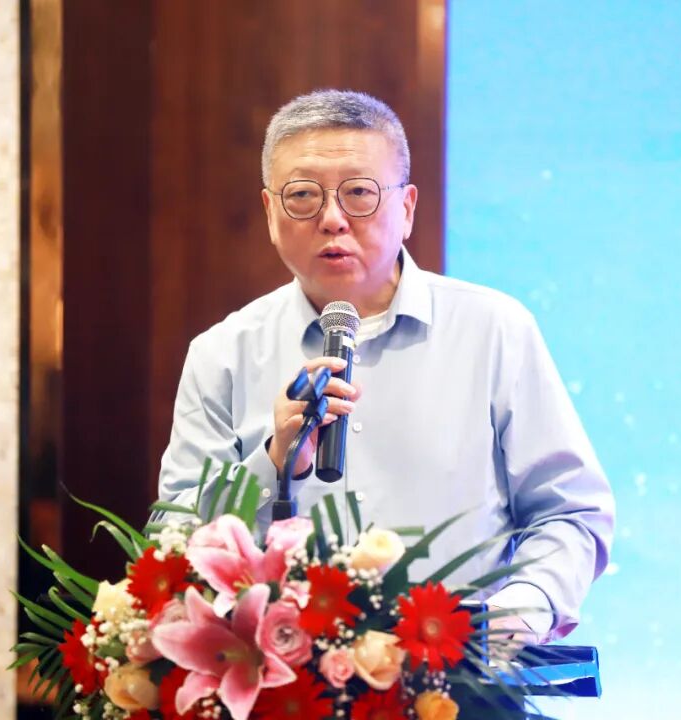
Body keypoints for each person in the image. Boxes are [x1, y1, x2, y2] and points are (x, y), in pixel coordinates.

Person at [157, 89, 614, 644]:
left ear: (407, 209)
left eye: (359, 193)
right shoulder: (222, 353)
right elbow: (174, 539)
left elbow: (570, 512)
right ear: (270, 212)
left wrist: (515, 616)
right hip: (289, 678)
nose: (332, 219)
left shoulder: (494, 330)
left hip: (459, 670)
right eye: (302, 195)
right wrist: (275, 460)